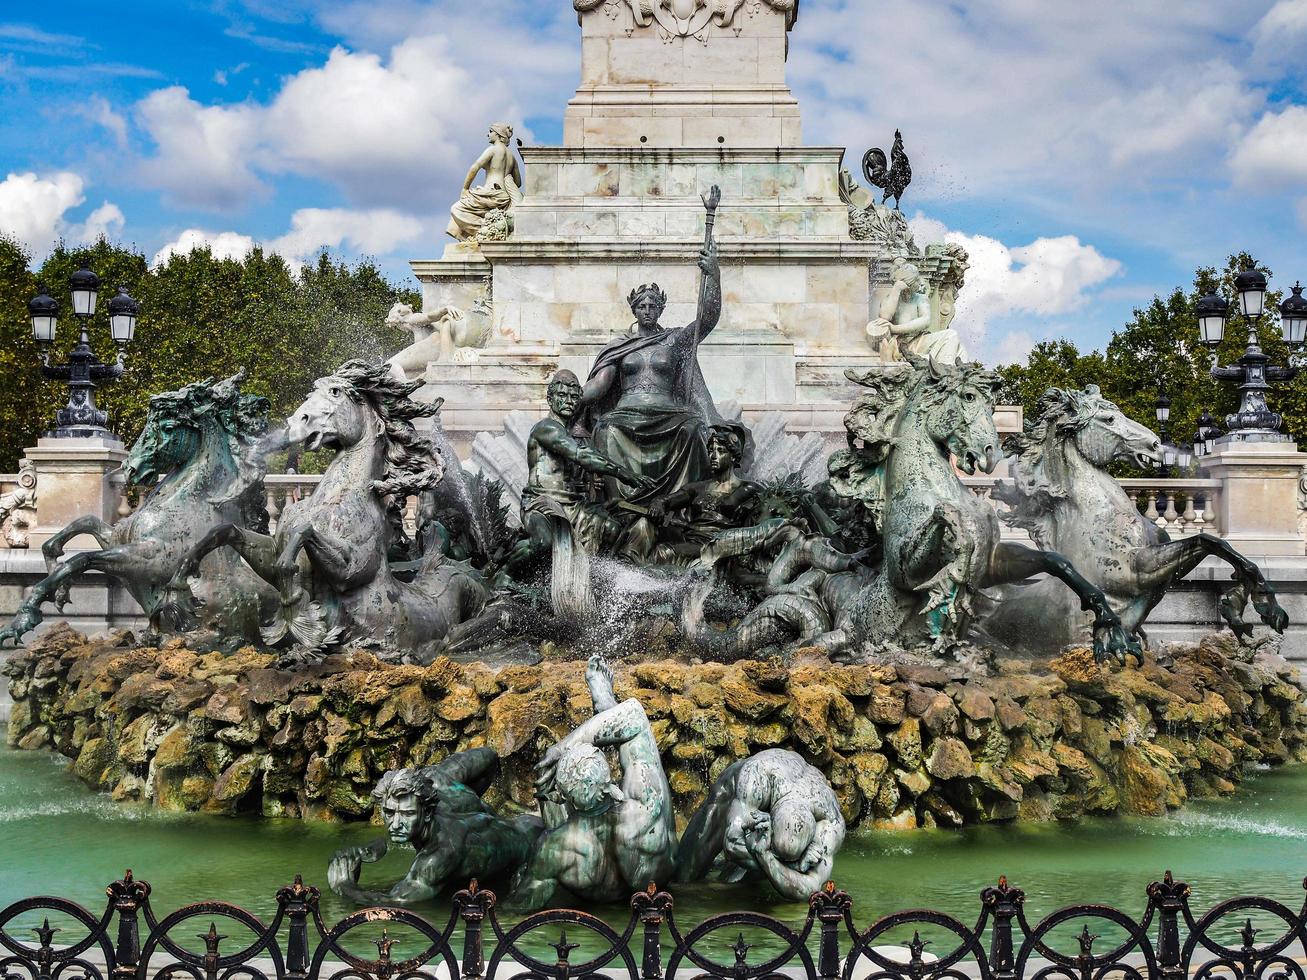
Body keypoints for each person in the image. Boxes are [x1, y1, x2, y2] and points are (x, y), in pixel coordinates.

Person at [509, 655, 676, 909]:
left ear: (564, 795)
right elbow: (635, 715)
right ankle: (608, 706)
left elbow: (517, 909)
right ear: (611, 780)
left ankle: (606, 706)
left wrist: (521, 878)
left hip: (594, 890)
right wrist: (563, 748)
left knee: (547, 829)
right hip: (654, 891)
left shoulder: (553, 846)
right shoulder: (645, 803)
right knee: (640, 755)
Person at [326, 748, 540, 906]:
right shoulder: (438, 782)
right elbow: (489, 757)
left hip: (533, 854)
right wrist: (481, 808)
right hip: (522, 824)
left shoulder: (439, 854)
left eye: (408, 814)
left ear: (427, 812)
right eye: (389, 813)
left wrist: (345, 885)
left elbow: (395, 902)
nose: (396, 824)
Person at [499, 370, 653, 580]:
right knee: (543, 543)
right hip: (542, 504)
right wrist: (623, 473)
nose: (569, 402)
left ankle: (592, 579)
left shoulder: (569, 435)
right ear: (550, 398)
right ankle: (504, 574)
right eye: (562, 396)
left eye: (573, 397)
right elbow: (580, 455)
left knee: (612, 529)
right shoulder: (545, 428)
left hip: (573, 506)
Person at [674, 748, 846, 901]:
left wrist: (765, 855)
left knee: (735, 882)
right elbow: (732, 844)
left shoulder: (831, 824)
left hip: (794, 794)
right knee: (685, 874)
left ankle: (746, 869)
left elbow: (810, 890)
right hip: (736, 789)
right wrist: (794, 866)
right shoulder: (758, 776)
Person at [447, 123, 523, 242]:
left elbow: (474, 167)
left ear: (498, 134)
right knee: (462, 209)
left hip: (490, 193)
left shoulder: (493, 150)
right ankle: (487, 229)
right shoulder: (511, 156)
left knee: (456, 208)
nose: (488, 134)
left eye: (491, 131)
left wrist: (465, 189)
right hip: (504, 196)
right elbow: (518, 182)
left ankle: (485, 229)